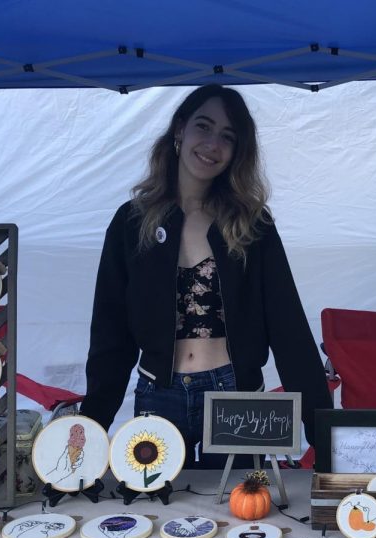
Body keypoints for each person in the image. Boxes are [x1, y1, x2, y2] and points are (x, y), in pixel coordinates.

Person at [80, 84, 332, 468]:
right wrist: (90, 430)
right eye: (204, 126)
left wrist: (326, 439)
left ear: (237, 152)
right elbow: (110, 334)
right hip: (158, 394)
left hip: (236, 395)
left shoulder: (252, 226)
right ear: (179, 130)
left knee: (242, 512)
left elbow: (289, 330)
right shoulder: (131, 223)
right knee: (158, 512)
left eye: (227, 137)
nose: (213, 144)